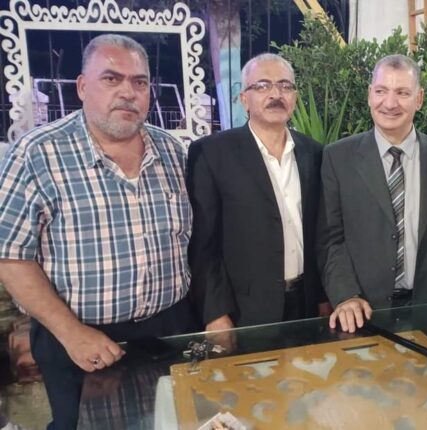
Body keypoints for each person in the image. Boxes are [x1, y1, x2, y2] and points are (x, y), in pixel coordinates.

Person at [0, 34, 198, 429]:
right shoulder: (38, 154)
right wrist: (71, 332)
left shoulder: (174, 153)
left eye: (139, 81)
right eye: (111, 78)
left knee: (171, 421)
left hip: (169, 330)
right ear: (82, 86)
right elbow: (10, 256)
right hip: (78, 337)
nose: (127, 92)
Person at [319, 54, 427, 333]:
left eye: (402, 93)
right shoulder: (338, 158)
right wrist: (345, 294)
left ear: (419, 99)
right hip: (361, 311)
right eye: (381, 91)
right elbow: (330, 239)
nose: (390, 103)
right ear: (369, 95)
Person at [187, 53, 329, 334]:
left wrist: (324, 297)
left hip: (307, 304)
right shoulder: (212, 153)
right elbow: (203, 243)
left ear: (295, 96)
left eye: (285, 86)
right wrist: (215, 313)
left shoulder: (314, 153)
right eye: (263, 85)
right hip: (244, 311)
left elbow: (321, 234)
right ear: (244, 99)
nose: (276, 94)